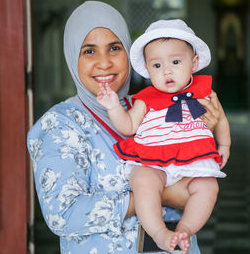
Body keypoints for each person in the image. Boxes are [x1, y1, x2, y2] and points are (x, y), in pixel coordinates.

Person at [27, 1, 222, 254]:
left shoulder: (152, 107)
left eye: (114, 48)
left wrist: (208, 128)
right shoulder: (60, 125)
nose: (104, 63)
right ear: (72, 55)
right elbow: (62, 214)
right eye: (89, 51)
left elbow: (196, 177)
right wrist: (158, 195)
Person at [96, 19, 231, 253]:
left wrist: (225, 143)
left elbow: (219, 118)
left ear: (194, 62)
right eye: (157, 66)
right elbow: (127, 126)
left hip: (192, 161)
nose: (166, 71)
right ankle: (159, 233)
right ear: (147, 70)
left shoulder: (204, 92)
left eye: (176, 62)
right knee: (143, 182)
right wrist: (113, 107)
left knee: (208, 186)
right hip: (153, 159)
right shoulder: (146, 98)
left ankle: (185, 228)